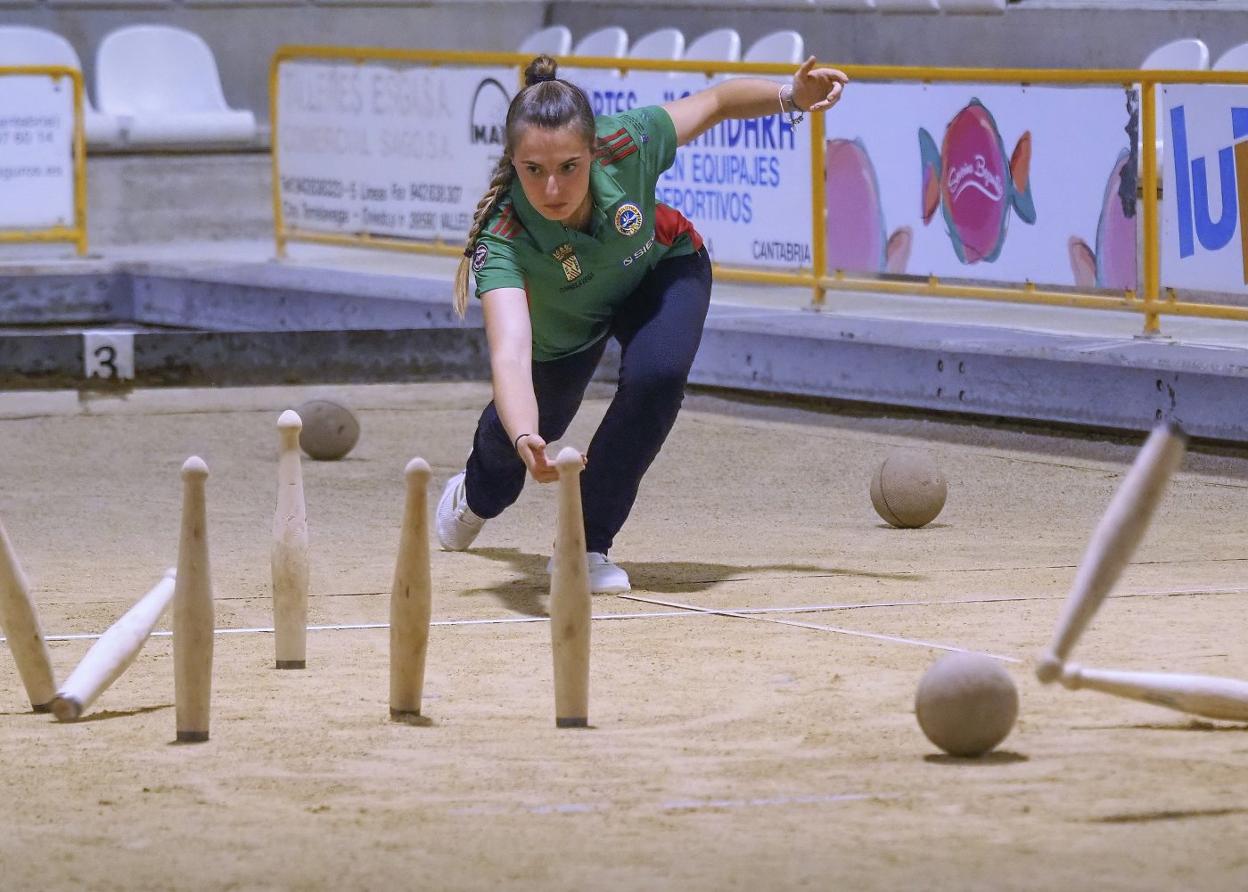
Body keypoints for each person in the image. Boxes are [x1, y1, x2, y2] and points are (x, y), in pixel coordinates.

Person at [437, 52, 848, 593]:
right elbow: (510, 353)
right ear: (512, 161)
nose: (554, 189)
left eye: (570, 167)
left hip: (660, 268)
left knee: (658, 377)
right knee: (543, 423)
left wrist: (792, 97)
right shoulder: (502, 236)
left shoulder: (628, 141)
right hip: (568, 326)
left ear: (593, 150)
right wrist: (522, 435)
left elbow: (718, 102)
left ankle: (584, 543)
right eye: (534, 170)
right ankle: (474, 494)